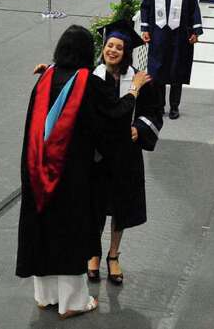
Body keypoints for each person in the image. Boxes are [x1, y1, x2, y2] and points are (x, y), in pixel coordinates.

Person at [16, 25, 150, 319]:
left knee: (43, 231)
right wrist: (135, 89)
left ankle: (45, 296)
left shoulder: (45, 78)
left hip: (37, 172)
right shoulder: (87, 82)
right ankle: (72, 303)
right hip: (71, 176)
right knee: (69, 234)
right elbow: (113, 117)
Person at [87, 21, 163, 286]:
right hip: (98, 154)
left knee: (121, 206)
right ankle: (93, 254)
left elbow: (153, 113)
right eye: (109, 46)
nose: (113, 50)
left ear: (126, 51)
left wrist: (139, 129)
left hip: (126, 155)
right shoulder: (92, 77)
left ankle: (113, 256)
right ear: (103, 48)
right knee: (95, 205)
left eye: (119, 47)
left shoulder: (140, 79)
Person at [140, 0, 203, 120]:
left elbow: (194, 9)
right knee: (157, 73)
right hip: (159, 35)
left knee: (177, 71)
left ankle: (174, 107)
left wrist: (195, 32)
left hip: (180, 36)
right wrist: (145, 28)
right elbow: (145, 8)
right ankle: (159, 106)